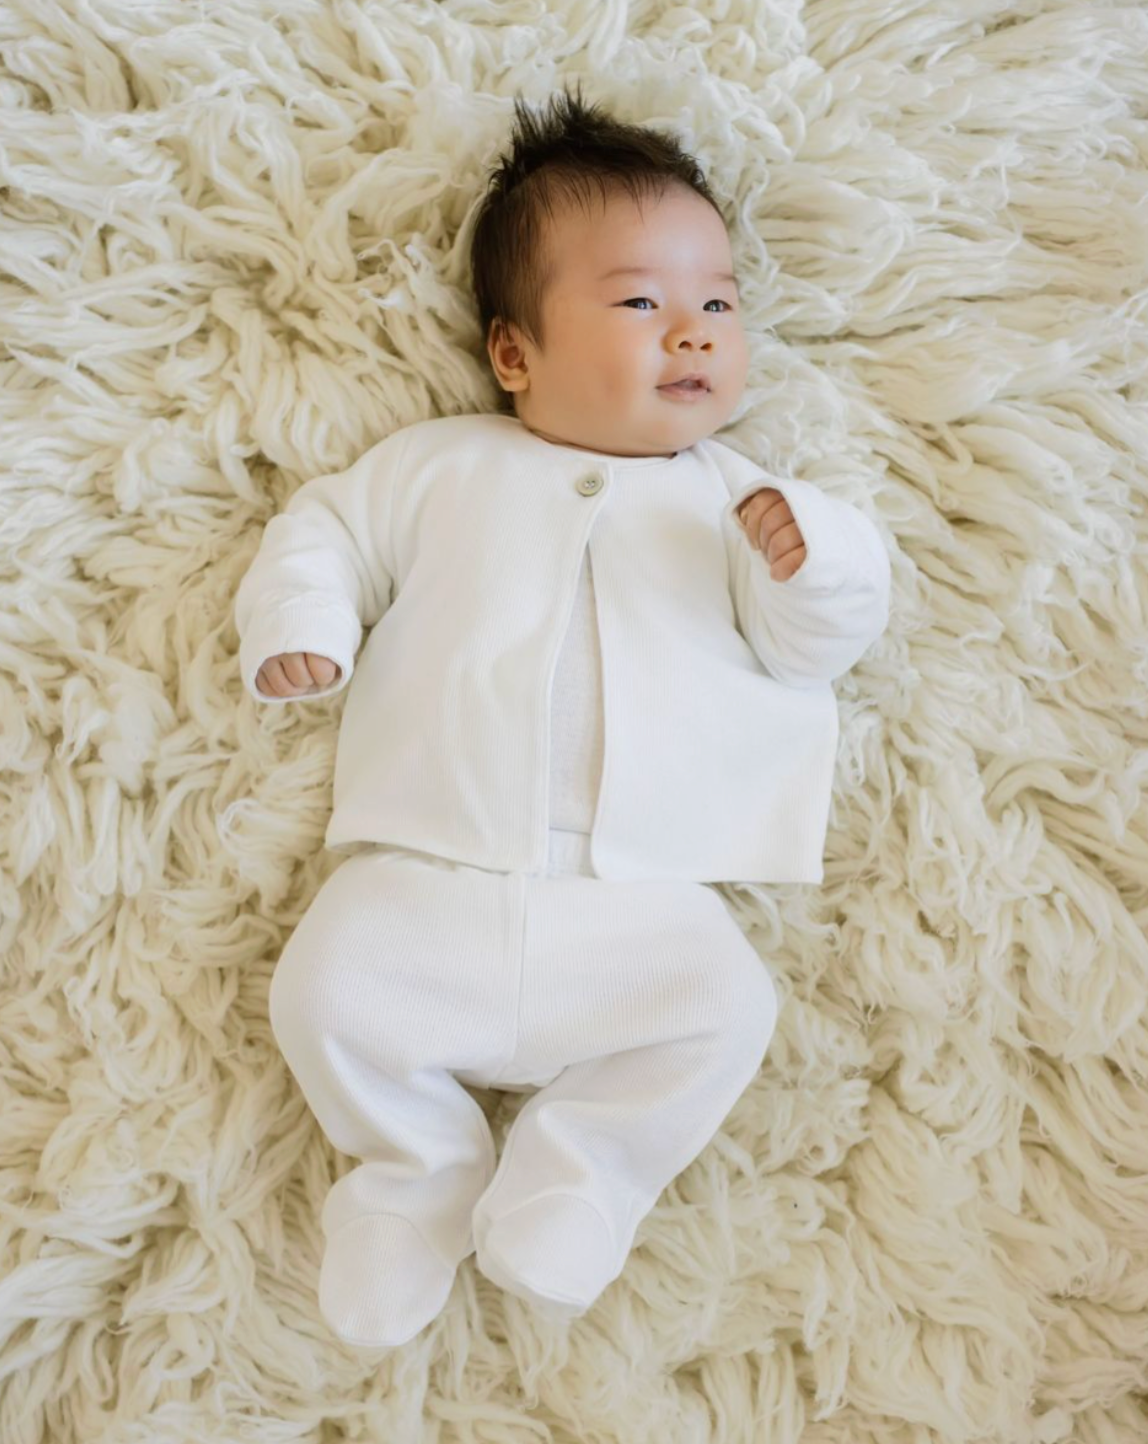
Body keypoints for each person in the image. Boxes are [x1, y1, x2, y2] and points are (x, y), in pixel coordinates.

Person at [233, 84, 890, 1348]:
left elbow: (811, 652)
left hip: (635, 902)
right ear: (514, 353)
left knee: (726, 1008)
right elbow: (321, 531)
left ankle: (580, 1175)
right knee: (320, 989)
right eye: (642, 301)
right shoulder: (438, 468)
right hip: (426, 875)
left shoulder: (743, 500)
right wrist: (303, 626)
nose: (691, 333)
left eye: (717, 303)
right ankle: (411, 1174)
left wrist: (820, 565)